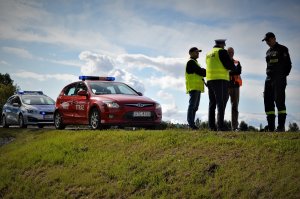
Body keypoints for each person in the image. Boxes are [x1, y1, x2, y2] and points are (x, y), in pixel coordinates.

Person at [262, 32, 292, 132]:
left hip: (279, 79)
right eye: (266, 41)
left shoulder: (283, 49)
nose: (267, 42)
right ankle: (271, 127)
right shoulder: (268, 52)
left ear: (274, 38)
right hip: (268, 79)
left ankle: (280, 127)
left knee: (280, 102)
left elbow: (288, 65)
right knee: (268, 102)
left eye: (268, 40)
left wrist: (282, 76)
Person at [206, 39, 235, 131]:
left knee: (212, 103)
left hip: (210, 80)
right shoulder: (222, 51)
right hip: (220, 80)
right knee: (220, 103)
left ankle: (211, 126)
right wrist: (233, 66)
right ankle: (221, 126)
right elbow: (228, 65)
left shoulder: (208, 53)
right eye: (224, 45)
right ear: (222, 45)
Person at [185, 47, 206, 130]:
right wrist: (203, 70)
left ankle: (192, 123)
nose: (198, 53)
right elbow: (201, 72)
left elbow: (201, 72)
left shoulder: (195, 62)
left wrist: (202, 70)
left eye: (198, 52)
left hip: (196, 87)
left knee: (195, 107)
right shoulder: (191, 62)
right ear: (190, 53)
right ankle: (191, 124)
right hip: (193, 87)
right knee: (192, 106)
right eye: (196, 52)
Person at [227, 47, 242, 131]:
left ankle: (235, 127)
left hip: (235, 86)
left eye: (232, 52)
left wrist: (230, 72)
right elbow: (234, 71)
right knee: (222, 106)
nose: (231, 53)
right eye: (229, 52)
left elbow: (238, 71)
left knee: (235, 106)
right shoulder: (224, 62)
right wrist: (233, 71)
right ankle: (220, 125)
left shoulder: (237, 62)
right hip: (226, 86)